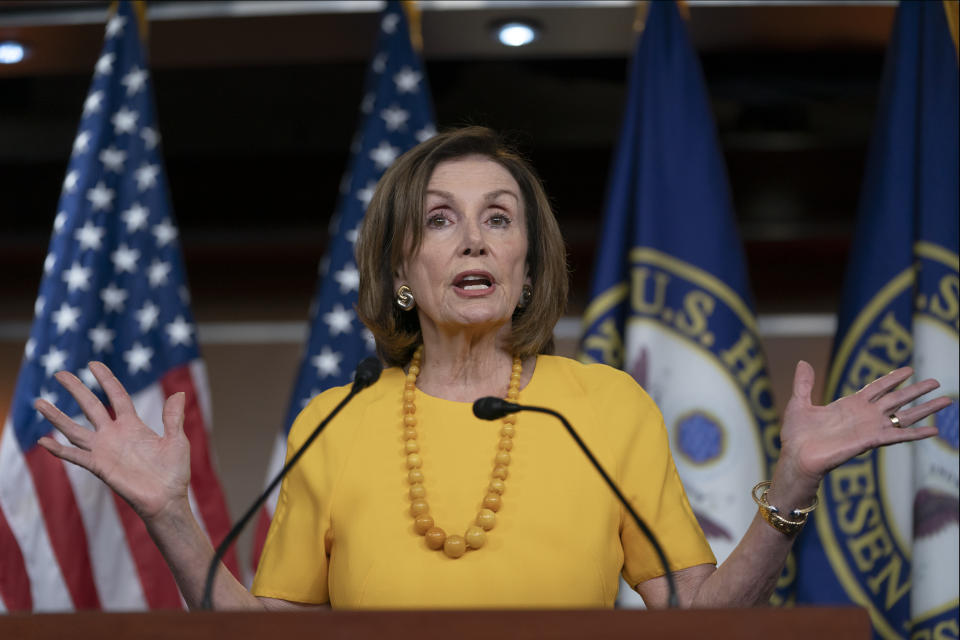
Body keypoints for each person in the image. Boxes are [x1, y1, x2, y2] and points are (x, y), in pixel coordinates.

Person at [35, 126, 949, 610]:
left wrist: (790, 484)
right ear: (401, 272)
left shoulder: (603, 406)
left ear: (524, 268)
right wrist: (169, 514)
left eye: (499, 218)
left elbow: (695, 615)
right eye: (439, 220)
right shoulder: (331, 419)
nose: (473, 238)